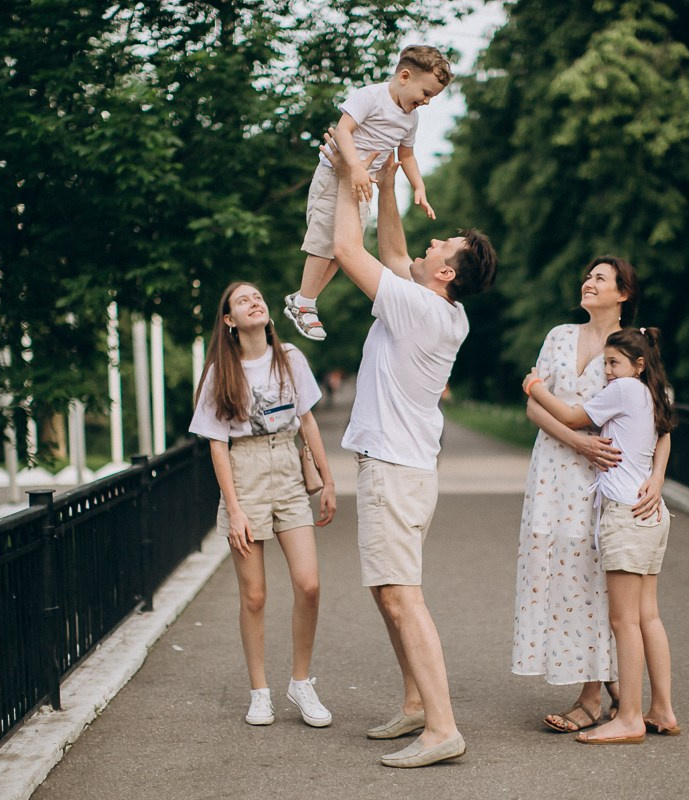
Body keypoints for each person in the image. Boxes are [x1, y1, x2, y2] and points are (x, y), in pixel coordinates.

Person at [323, 133, 497, 767]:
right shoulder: (433, 306)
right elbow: (393, 248)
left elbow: (349, 249)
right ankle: (418, 703)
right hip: (401, 466)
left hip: (395, 470)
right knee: (386, 590)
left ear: (446, 273)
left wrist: (351, 173)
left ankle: (442, 728)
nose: (428, 245)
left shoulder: (421, 311)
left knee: (401, 594)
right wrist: (392, 181)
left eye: (440, 247)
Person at [512, 256, 671, 734]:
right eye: (587, 276)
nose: (587, 282)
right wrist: (576, 441)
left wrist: (658, 479)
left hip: (608, 481)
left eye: (599, 278)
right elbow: (534, 407)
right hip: (552, 475)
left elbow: (662, 420)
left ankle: (591, 696)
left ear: (623, 292)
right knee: (561, 582)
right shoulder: (559, 335)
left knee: (598, 585)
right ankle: (607, 683)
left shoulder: (632, 345)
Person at [189, 282, 338, 728]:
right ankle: (259, 692)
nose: (255, 301)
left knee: (308, 585)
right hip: (246, 474)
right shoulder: (221, 372)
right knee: (254, 595)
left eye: (258, 297)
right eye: (242, 300)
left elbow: (307, 420)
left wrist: (328, 481)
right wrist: (233, 509)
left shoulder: (290, 358)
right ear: (230, 321)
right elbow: (218, 446)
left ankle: (301, 682)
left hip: (288, 470)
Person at [284, 45, 453, 342]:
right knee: (325, 237)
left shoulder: (410, 118)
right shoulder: (371, 97)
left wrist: (419, 186)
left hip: (362, 185)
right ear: (404, 76)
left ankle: (304, 299)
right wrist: (355, 168)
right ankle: (306, 302)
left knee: (344, 249)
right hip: (336, 175)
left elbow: (407, 155)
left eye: (431, 98)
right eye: (425, 93)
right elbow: (343, 131)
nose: (426, 102)